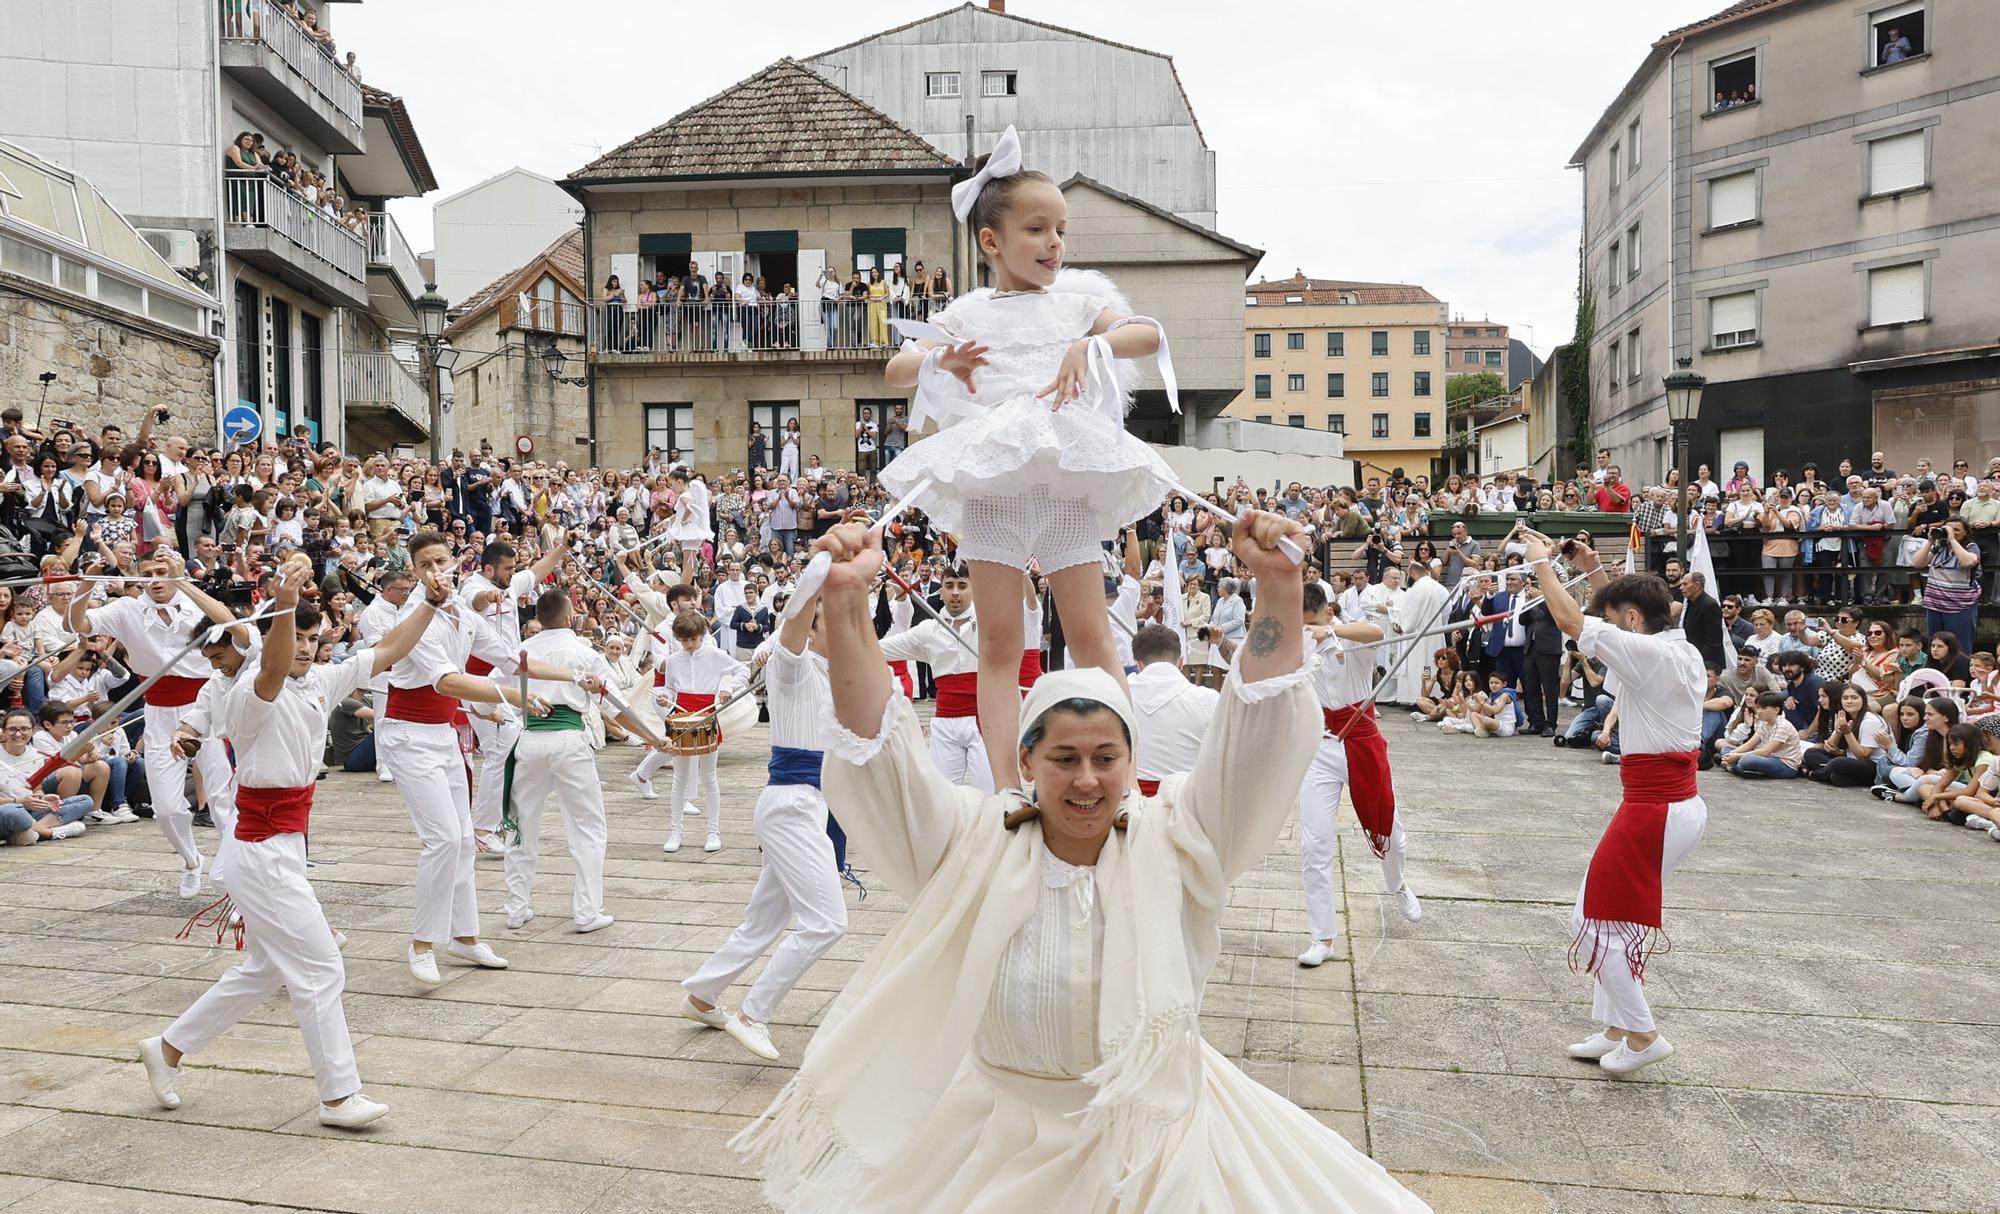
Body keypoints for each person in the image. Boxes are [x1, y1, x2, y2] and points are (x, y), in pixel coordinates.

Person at [730, 512, 1432, 1213]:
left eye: (1106, 758)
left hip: (1153, 1140)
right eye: (1065, 759)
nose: (1088, 780)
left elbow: (1256, 738)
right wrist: (850, 602)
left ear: (1133, 763)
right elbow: (878, 752)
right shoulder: (971, 843)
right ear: (1027, 760)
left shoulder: (1178, 839)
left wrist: (1279, 587)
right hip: (993, 1137)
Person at [880, 125, 1181, 791]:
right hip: (994, 496)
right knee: (999, 648)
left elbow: (1147, 334)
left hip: (1064, 491)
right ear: (992, 241)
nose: (1054, 244)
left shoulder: (1078, 298)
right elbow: (898, 368)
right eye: (1038, 230)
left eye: (1061, 231)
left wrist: (1090, 348)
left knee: (1093, 638)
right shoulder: (970, 309)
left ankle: (1125, 779)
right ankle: (1006, 787)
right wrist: (940, 355)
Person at [138, 554, 438, 1129]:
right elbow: (273, 665)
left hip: (279, 847)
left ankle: (169, 1047)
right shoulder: (248, 690)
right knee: (322, 968)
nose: (303, 646)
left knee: (267, 969)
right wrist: (284, 601)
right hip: (261, 851)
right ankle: (338, 1097)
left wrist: (430, 603)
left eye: (311, 637)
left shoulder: (323, 678)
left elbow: (390, 650)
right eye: (295, 634)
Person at [1521, 529, 1707, 1079]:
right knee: (1605, 915)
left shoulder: (1649, 654)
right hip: (1666, 803)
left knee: (1596, 921)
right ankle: (1616, 1027)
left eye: (1617, 610)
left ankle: (1644, 1033)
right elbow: (1614, 618)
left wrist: (1542, 566)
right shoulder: (1674, 644)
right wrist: (1596, 569)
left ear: (1631, 620)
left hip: (1657, 806)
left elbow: (1576, 624)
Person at [376, 531, 567, 988]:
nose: (436, 570)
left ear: (455, 563)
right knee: (443, 839)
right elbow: (448, 682)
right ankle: (422, 943)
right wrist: (518, 697)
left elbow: (509, 658)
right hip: (407, 735)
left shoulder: (462, 611)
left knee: (462, 839)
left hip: (441, 735)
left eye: (441, 560)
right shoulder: (413, 618)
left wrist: (577, 676)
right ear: (416, 572)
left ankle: (464, 935)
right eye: (425, 565)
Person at [680, 576, 846, 1062]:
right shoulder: (792, 668)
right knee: (827, 922)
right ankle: (755, 1013)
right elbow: (794, 616)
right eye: (828, 620)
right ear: (809, 630)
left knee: (764, 920)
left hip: (804, 807)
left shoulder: (832, 674)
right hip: (792, 805)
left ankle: (702, 995)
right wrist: (826, 562)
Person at [67, 549, 235, 898]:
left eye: (162, 571)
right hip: (159, 712)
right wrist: (88, 581)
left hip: (206, 706)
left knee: (222, 798)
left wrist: (183, 580)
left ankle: (233, 876)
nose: (155, 579)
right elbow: (77, 625)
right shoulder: (128, 609)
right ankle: (192, 861)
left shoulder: (194, 602)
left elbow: (227, 623)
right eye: (147, 573)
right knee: (167, 808)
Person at [1297, 583, 1421, 970]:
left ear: (1328, 614)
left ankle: (1398, 883)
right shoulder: (1295, 641)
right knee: (1314, 843)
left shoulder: (1347, 633)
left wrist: (1329, 633)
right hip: (1319, 744)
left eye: (1311, 623)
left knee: (1390, 830)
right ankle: (1323, 936)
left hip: (1361, 740)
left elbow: (1376, 632)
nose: (1306, 630)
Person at [501, 589, 621, 934]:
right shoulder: (583, 653)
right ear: (570, 618)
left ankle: (516, 907)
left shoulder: (522, 653)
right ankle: (587, 912)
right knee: (587, 828)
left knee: (522, 824)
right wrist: (649, 736)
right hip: (568, 739)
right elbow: (612, 704)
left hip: (529, 739)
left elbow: (501, 694)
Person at [458, 537, 561, 854]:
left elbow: (537, 571)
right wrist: (489, 596)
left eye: (514, 568)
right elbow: (475, 601)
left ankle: (496, 819)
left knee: (511, 747)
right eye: (507, 568)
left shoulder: (510, 580)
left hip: (508, 680)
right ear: (489, 568)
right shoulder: (471, 587)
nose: (512, 573)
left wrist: (562, 548)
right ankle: (482, 828)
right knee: (502, 749)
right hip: (477, 682)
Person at [634, 610, 749, 853]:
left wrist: (727, 687)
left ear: (701, 635)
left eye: (693, 640)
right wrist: (666, 697)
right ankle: (676, 832)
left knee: (709, 778)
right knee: (679, 779)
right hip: (681, 718)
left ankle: (713, 831)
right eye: (684, 640)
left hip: (706, 716)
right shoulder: (674, 660)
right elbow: (669, 687)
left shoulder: (716, 655)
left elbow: (743, 671)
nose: (688, 645)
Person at [878, 560, 990, 791]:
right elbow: (876, 649)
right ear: (942, 591)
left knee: (991, 795)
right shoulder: (928, 630)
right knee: (941, 796)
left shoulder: (991, 623)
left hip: (985, 720)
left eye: (962, 585)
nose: (955, 592)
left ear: (974, 588)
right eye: (949, 585)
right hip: (945, 722)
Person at [1126, 623, 1218, 798]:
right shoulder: (1209, 700)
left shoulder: (1119, 695)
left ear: (1138, 664)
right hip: (1189, 807)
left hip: (1131, 808)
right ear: (1181, 662)